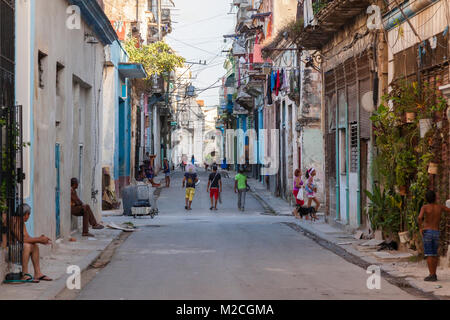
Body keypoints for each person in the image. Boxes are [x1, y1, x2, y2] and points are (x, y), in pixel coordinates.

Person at [14, 204, 53, 283]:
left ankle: (38, 273)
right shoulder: (14, 221)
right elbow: (22, 239)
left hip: (18, 246)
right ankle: (24, 274)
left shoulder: (22, 223)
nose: (28, 217)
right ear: (26, 214)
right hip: (11, 248)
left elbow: (28, 238)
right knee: (27, 246)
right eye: (28, 214)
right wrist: (39, 239)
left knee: (34, 245)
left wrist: (39, 239)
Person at [418, 190, 450, 282]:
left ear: (426, 199)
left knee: (429, 254)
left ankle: (432, 275)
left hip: (427, 231)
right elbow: (449, 210)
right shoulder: (439, 207)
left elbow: (420, 217)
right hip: (436, 232)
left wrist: (420, 228)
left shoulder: (425, 207)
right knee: (434, 254)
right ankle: (434, 274)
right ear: (435, 198)